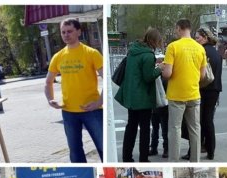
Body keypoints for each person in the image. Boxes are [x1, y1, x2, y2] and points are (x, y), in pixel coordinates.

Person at [45, 18, 103, 163]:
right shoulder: (58, 56)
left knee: (103, 147)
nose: (66, 35)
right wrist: (51, 100)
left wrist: (99, 102)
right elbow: (48, 81)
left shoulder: (91, 53)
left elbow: (107, 79)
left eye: (69, 31)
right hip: (69, 111)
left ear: (78, 31)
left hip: (92, 110)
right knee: (75, 151)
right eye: (63, 32)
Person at [160, 18, 207, 162]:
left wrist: (163, 68)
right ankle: (195, 160)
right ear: (190, 29)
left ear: (179, 28)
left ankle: (174, 161)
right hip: (194, 94)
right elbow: (202, 75)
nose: (175, 31)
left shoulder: (173, 47)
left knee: (175, 129)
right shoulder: (200, 48)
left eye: (176, 29)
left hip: (176, 95)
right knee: (195, 129)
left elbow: (167, 74)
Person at [115, 27, 163, 162]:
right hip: (143, 98)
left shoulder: (133, 51)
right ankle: (143, 158)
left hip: (131, 96)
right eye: (158, 41)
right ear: (154, 41)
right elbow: (148, 77)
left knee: (131, 126)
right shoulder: (148, 55)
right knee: (145, 129)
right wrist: (159, 69)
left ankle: (127, 157)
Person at [195, 27, 222, 160]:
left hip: (203, 89)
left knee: (197, 121)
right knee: (208, 120)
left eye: (198, 37)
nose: (196, 40)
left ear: (205, 38)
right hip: (215, 90)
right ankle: (210, 150)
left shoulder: (202, 51)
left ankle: (196, 149)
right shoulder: (217, 52)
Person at [149, 77, 169, 158]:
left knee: (163, 129)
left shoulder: (164, 74)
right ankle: (155, 148)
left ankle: (164, 148)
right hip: (157, 106)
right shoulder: (158, 73)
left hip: (162, 105)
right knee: (157, 128)